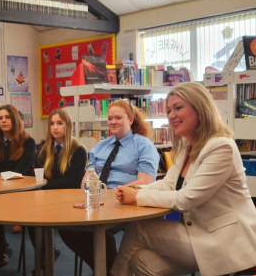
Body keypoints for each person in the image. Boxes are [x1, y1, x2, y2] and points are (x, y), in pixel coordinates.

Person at [112, 82, 256, 276]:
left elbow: (186, 199)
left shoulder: (221, 147)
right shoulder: (187, 147)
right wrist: (136, 190)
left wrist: (135, 198)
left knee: (139, 229)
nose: (171, 115)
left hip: (225, 242)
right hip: (198, 234)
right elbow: (168, 184)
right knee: (141, 261)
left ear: (200, 109)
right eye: (169, 110)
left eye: (178, 107)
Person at [59, 100, 160, 276]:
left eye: (118, 118)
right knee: (67, 227)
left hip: (125, 201)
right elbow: (87, 179)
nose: (113, 122)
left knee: (99, 233)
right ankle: (108, 270)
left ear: (130, 119)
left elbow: (145, 181)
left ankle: (108, 271)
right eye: (110, 118)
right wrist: (93, 190)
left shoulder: (143, 145)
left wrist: (113, 193)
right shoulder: (101, 145)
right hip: (97, 200)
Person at [0, 104, 35, 275]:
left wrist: (1, 180)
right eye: (0, 118)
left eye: (7, 117)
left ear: (15, 120)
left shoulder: (28, 142)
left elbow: (21, 171)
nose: (3, 121)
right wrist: (1, 183)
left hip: (21, 194)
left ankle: (5, 248)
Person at [28, 108, 87, 269]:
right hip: (47, 198)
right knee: (29, 215)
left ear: (68, 126)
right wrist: (42, 187)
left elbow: (72, 181)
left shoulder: (78, 150)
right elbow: (39, 177)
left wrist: (44, 186)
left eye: (60, 123)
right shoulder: (43, 150)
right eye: (52, 124)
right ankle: (46, 254)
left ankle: (46, 255)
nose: (55, 127)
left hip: (69, 199)